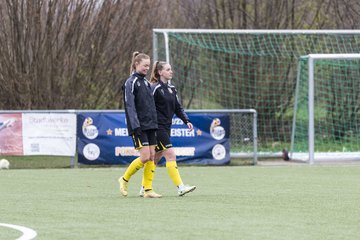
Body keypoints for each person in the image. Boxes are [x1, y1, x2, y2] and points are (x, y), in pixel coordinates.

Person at [139, 61, 196, 197]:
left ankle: (144, 188)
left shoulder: (172, 89)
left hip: (166, 127)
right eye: (168, 69)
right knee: (170, 154)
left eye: (171, 69)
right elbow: (146, 106)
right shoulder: (154, 88)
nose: (171, 71)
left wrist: (186, 120)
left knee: (155, 159)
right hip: (157, 127)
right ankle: (180, 187)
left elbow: (177, 107)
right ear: (160, 72)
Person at [118, 52, 161, 198]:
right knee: (144, 157)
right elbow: (129, 106)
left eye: (148, 66)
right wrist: (135, 125)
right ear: (136, 64)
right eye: (144, 66)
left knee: (152, 156)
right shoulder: (130, 82)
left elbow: (150, 105)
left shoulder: (146, 83)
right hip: (139, 126)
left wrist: (155, 122)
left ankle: (148, 190)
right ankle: (124, 180)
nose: (147, 68)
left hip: (150, 125)